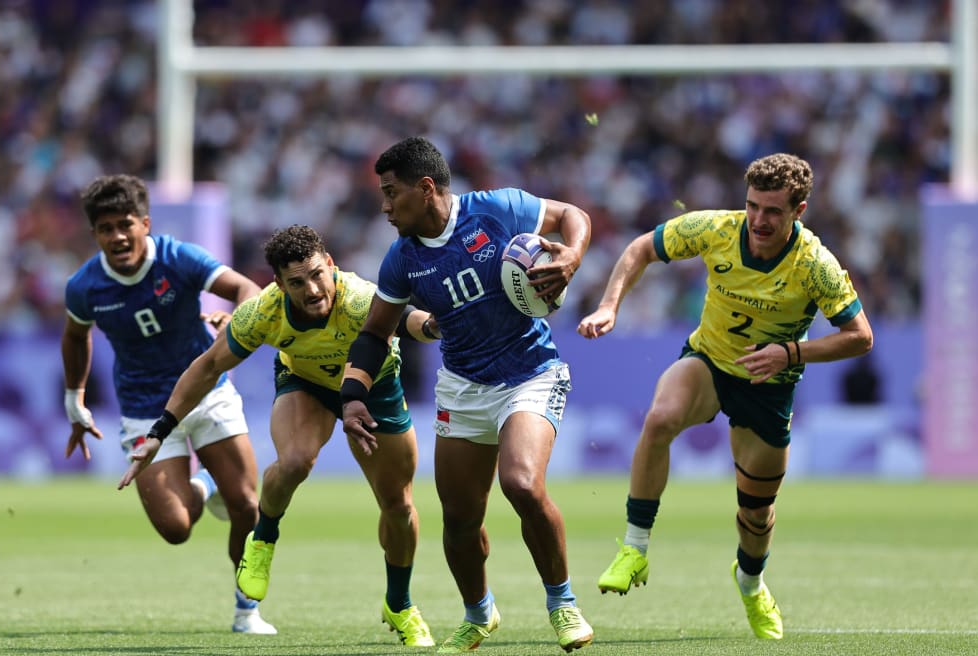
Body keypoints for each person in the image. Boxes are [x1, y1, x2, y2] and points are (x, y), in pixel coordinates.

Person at [577, 153, 874, 640]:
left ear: (799, 211)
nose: (759, 219)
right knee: (659, 419)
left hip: (768, 387)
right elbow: (639, 250)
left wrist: (790, 352)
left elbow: (860, 337)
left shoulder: (816, 265)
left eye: (774, 211)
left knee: (755, 516)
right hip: (710, 361)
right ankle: (634, 547)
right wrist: (610, 306)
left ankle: (751, 582)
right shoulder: (715, 229)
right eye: (753, 206)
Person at [117, 224, 439, 647]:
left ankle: (399, 604)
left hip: (373, 387)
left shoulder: (359, 298)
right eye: (297, 282)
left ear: (331, 266)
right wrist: (161, 430)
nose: (311, 289)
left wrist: (436, 326)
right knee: (294, 461)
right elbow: (208, 366)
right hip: (305, 385)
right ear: (280, 285)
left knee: (398, 507)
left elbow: (410, 321)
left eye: (317, 275)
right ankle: (263, 540)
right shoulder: (264, 312)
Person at [342, 136, 595, 653]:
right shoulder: (401, 260)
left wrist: (571, 258)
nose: (386, 207)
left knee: (521, 484)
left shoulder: (498, 210)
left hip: (531, 373)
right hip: (463, 385)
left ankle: (563, 603)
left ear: (426, 187)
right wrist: (352, 395)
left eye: (392, 194)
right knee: (459, 519)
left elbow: (572, 214)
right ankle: (479, 613)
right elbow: (374, 333)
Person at [61, 174, 275, 634]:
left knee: (247, 505)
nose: (117, 236)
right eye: (105, 228)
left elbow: (246, 290)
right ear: (95, 234)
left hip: (207, 391)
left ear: (145, 224)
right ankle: (203, 488)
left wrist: (233, 324)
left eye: (125, 224)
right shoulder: (85, 286)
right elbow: (75, 337)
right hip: (144, 408)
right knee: (176, 528)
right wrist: (74, 398)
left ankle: (246, 610)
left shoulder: (179, 258)